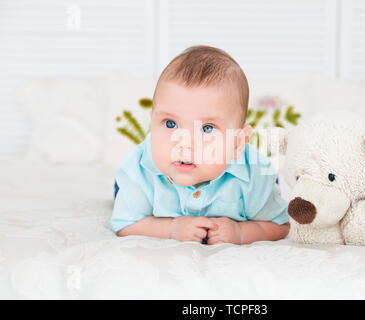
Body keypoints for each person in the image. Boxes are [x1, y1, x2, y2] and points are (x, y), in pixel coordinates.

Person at [111, 45, 290, 245]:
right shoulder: (140, 169)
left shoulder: (254, 176)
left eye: (207, 129)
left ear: (238, 142)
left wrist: (241, 232)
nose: (185, 143)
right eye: (170, 124)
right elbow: (125, 224)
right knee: (122, 190)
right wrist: (171, 229)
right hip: (136, 182)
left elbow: (279, 225)